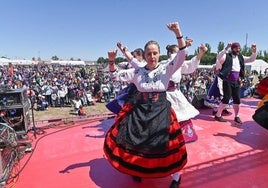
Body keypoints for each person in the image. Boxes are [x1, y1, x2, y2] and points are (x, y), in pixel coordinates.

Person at [103, 22, 187, 188]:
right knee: (137, 145)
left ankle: (176, 177)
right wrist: (111, 61)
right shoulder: (137, 71)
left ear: (160, 54)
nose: (152, 56)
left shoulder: (166, 69)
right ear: (145, 55)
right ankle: (137, 171)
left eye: (155, 53)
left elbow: (182, 55)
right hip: (140, 113)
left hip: (162, 112)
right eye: (149, 53)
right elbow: (114, 77)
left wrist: (177, 32)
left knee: (169, 148)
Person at [164, 42, 207, 143]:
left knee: (181, 114)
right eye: (176, 52)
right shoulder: (164, 63)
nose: (179, 54)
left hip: (176, 92)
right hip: (165, 94)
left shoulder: (180, 64)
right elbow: (176, 59)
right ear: (170, 53)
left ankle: (183, 136)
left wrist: (201, 52)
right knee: (167, 116)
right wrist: (185, 47)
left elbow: (191, 64)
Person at [214, 42, 257, 123]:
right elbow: (218, 57)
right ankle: (218, 115)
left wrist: (254, 51)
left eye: (239, 48)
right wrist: (226, 48)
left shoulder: (241, 57)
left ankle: (236, 116)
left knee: (237, 100)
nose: (238, 50)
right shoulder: (226, 56)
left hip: (236, 81)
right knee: (226, 99)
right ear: (232, 48)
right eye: (236, 48)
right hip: (227, 81)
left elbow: (252, 59)